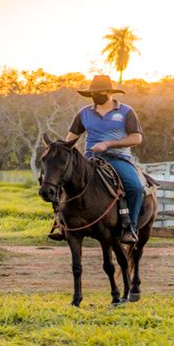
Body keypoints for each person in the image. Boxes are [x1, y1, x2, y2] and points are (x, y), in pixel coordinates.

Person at [49, 74, 145, 244]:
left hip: (118, 158)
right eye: (92, 93)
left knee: (135, 187)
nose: (94, 96)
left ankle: (130, 228)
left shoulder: (126, 112)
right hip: (89, 158)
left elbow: (136, 138)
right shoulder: (84, 113)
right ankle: (61, 224)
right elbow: (71, 138)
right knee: (62, 181)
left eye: (98, 93)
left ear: (109, 92)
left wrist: (108, 144)